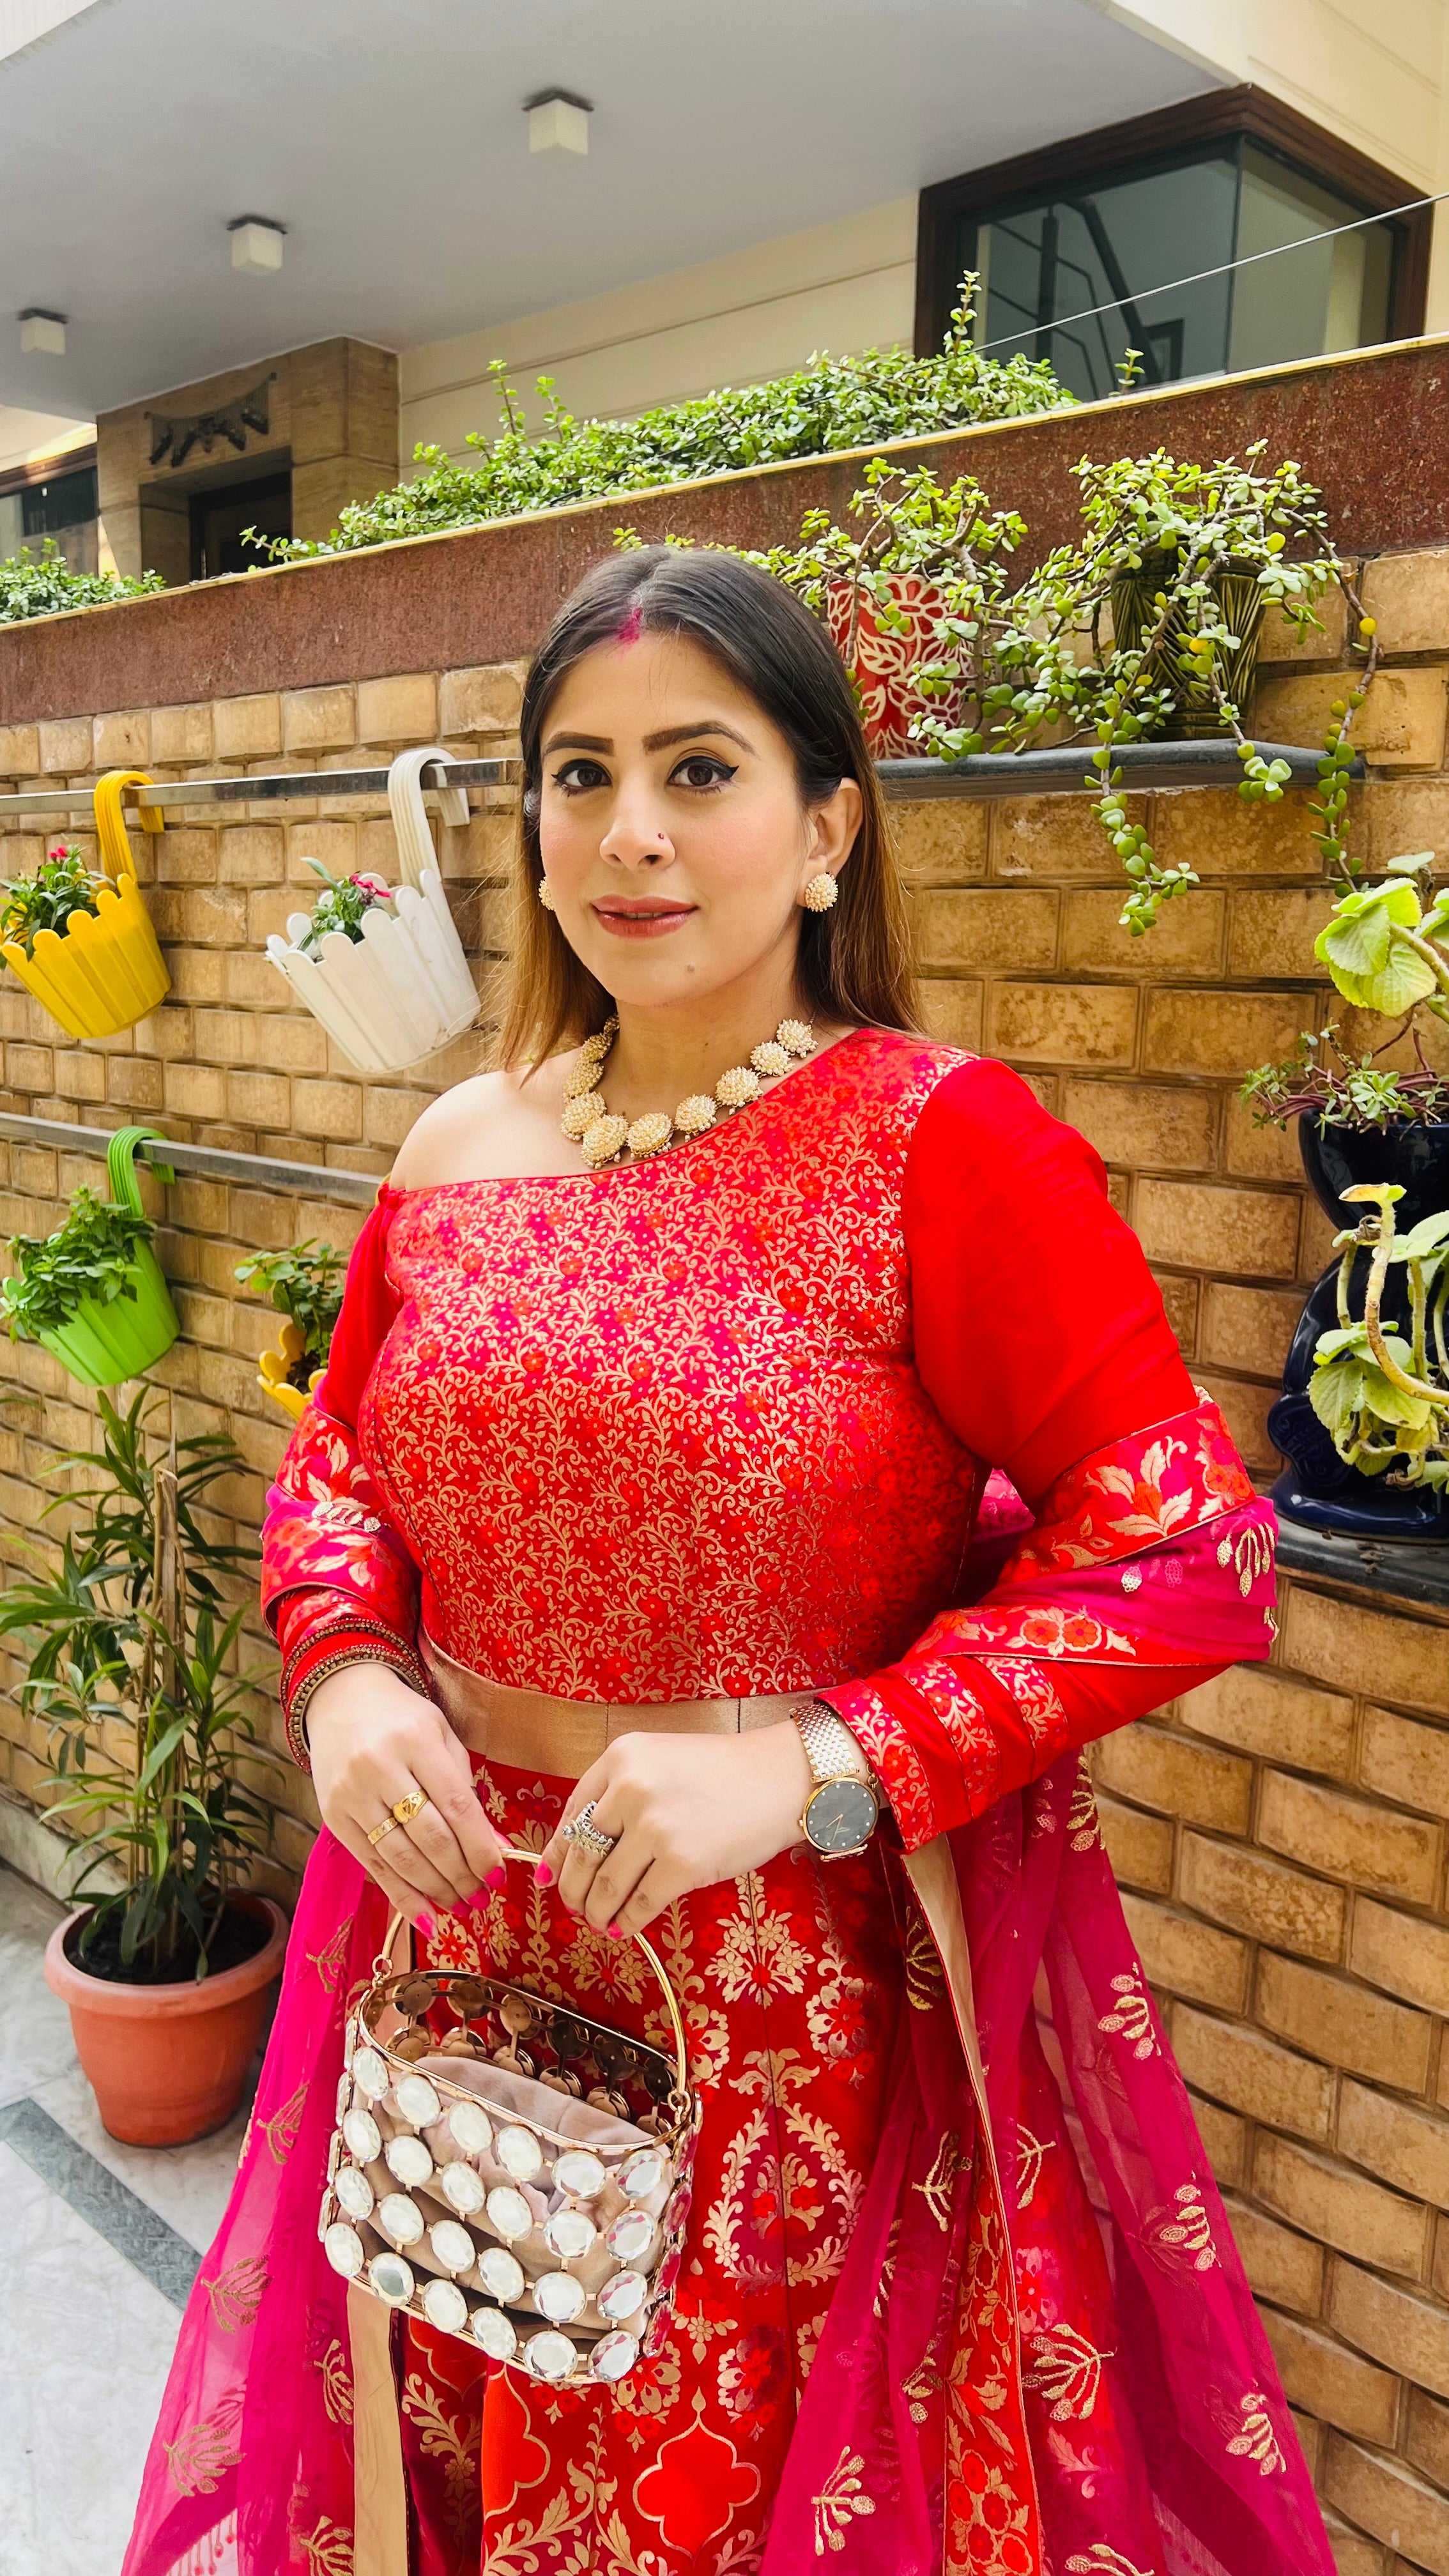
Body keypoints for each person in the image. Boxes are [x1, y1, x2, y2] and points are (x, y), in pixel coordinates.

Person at [125, 546, 1330, 2576]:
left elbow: (1191, 1543)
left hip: (780, 2017)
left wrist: (819, 1761)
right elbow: (339, 1463)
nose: (631, 834)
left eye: (699, 769)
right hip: (452, 1953)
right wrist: (338, 1674)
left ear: (828, 825)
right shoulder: (462, 1145)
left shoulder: (945, 1147)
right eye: (578, 775)